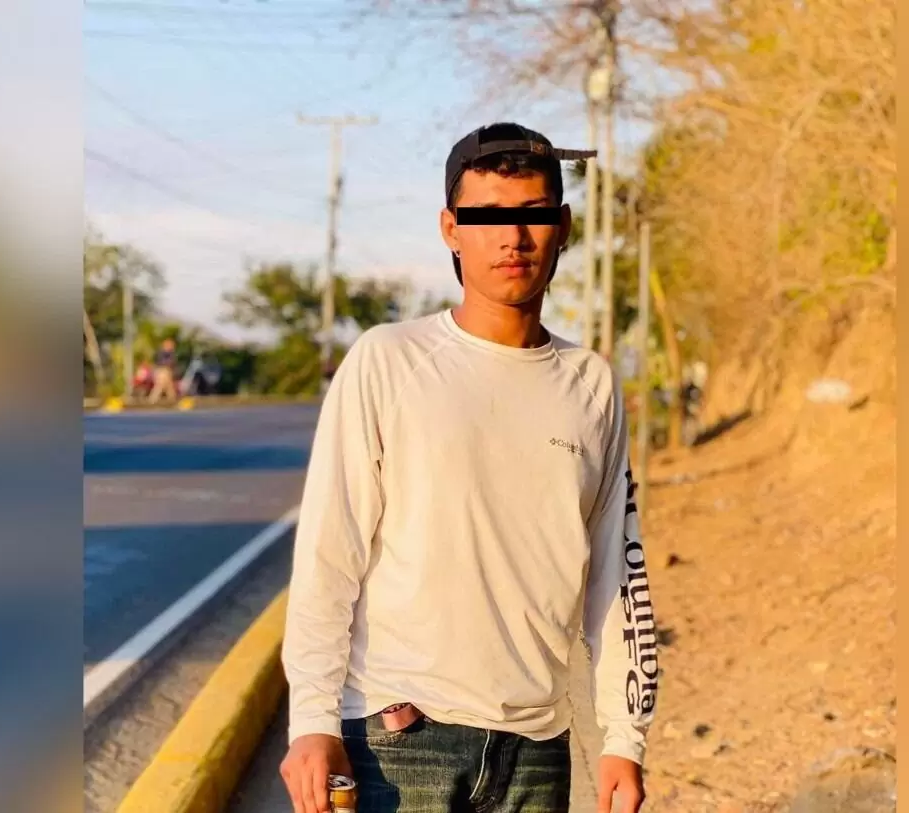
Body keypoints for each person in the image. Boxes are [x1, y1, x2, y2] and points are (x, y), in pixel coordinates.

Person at [280, 122, 658, 813]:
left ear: (563, 227)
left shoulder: (591, 383)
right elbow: (329, 554)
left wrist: (624, 739)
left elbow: (616, 574)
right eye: (487, 217)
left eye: (533, 214)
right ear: (451, 229)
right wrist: (312, 721)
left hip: (537, 748)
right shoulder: (388, 361)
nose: (512, 238)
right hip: (402, 740)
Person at [149, 338, 179, 404]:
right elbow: (161, 362)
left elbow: (173, 363)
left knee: (168, 386)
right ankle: (153, 399)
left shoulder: (171, 353)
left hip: (166, 371)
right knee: (161, 385)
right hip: (161, 371)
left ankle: (172, 400)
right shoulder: (161, 352)